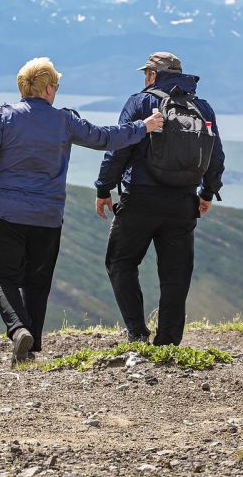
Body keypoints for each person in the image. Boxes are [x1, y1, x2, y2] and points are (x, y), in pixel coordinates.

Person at [0, 57, 163, 366]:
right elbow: (105, 137)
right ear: (49, 88)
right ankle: (33, 344)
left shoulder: (2, 118)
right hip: (47, 217)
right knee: (38, 281)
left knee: (2, 277)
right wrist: (142, 127)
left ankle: (18, 330)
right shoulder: (65, 121)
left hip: (4, 214)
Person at [95, 52, 225, 346]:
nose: (144, 78)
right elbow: (215, 155)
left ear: (154, 75)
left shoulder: (140, 102)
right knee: (175, 274)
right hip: (182, 203)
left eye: (146, 73)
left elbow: (119, 147)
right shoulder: (202, 107)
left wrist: (104, 188)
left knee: (121, 262)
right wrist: (206, 192)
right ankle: (167, 341)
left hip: (140, 199)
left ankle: (137, 332)